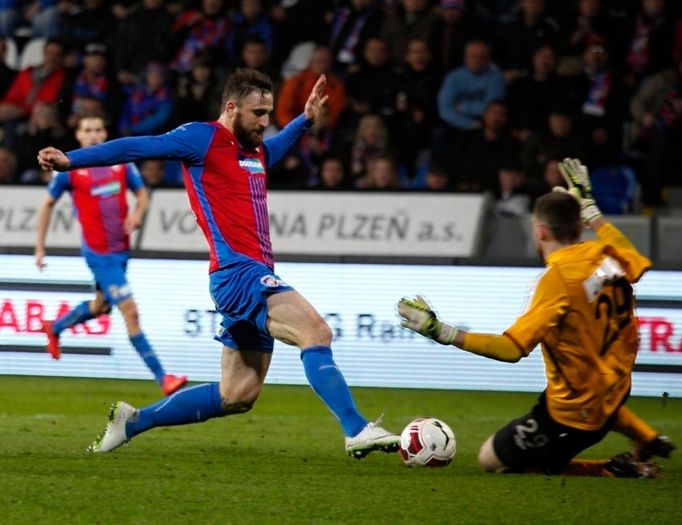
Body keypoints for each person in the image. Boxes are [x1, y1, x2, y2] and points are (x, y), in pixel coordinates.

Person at [37, 68, 400, 458]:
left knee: (238, 394)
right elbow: (137, 147)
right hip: (238, 273)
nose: (264, 122)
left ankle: (134, 420)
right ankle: (356, 428)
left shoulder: (256, 151)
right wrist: (71, 160)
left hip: (251, 275)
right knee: (316, 333)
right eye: (257, 113)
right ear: (231, 107)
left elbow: (277, 146)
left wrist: (305, 120)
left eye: (269, 113)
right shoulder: (202, 138)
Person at [398, 158, 675, 477]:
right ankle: (648, 438)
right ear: (580, 225)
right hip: (616, 389)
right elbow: (638, 261)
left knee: (492, 459)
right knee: (595, 387)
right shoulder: (606, 253)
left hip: (571, 414)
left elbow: (511, 349)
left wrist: (442, 332)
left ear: (541, 231)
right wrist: (593, 211)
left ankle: (614, 469)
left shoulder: (555, 281)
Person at [35, 115, 188, 397]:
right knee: (130, 311)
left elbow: (142, 195)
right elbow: (47, 205)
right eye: (87, 131)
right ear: (79, 137)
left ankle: (54, 327)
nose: (93, 135)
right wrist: (40, 247)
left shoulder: (121, 164)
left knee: (101, 306)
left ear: (105, 133)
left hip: (121, 251)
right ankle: (163, 378)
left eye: (98, 129)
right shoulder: (68, 171)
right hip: (99, 253)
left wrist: (137, 214)